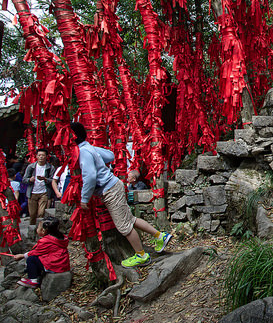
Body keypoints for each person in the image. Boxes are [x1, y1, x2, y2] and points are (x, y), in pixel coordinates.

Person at [70, 122, 172, 268]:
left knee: (124, 226)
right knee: (130, 219)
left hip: (109, 189)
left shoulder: (84, 152)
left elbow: (90, 176)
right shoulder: (88, 148)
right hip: (113, 186)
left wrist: (84, 198)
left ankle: (141, 255)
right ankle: (160, 236)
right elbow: (110, 155)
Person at [14, 217, 70, 288]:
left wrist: (22, 255)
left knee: (31, 259)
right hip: (63, 264)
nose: (37, 229)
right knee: (38, 258)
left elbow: (36, 252)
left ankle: (33, 280)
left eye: (38, 227)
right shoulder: (60, 237)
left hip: (55, 265)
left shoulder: (46, 241)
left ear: (43, 231)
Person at [23, 149, 59, 225]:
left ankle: (39, 230)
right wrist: (30, 180)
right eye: (39, 155)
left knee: (41, 213)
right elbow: (24, 179)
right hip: (32, 192)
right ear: (36, 156)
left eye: (43, 155)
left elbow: (53, 180)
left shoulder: (50, 167)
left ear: (46, 157)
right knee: (32, 214)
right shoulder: (31, 167)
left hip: (44, 192)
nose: (41, 157)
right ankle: (32, 229)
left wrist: (45, 179)